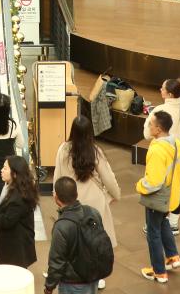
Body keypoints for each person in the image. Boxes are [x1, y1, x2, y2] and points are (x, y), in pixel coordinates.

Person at [53, 116, 120, 289]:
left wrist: (57, 197)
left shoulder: (63, 149)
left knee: (72, 238)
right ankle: (96, 274)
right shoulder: (95, 151)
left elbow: (58, 176)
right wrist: (115, 195)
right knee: (93, 238)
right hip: (94, 200)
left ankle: (73, 271)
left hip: (71, 198)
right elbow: (108, 179)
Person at [143, 78, 180, 234]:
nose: (160, 90)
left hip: (162, 159)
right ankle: (173, 223)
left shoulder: (159, 111)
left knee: (157, 189)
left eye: (162, 88)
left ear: (170, 93)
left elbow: (147, 133)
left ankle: (153, 224)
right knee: (175, 189)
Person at [136, 110, 180, 283]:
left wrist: (140, 186)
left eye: (150, 124)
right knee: (163, 223)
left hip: (157, 197)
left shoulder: (157, 150)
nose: (148, 126)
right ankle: (173, 257)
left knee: (153, 233)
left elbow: (154, 182)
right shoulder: (175, 143)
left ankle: (159, 272)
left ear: (158, 129)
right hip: (170, 194)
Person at [44, 176, 107, 294]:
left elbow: (57, 261)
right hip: (92, 278)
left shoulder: (61, 226)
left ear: (56, 198)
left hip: (72, 284)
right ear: (76, 194)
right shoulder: (93, 212)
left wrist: (49, 286)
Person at [0, 155, 37, 268]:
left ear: (15, 173)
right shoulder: (10, 187)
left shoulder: (19, 197)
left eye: (5, 168)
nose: (1, 170)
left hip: (15, 250)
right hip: (10, 247)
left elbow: (6, 221)